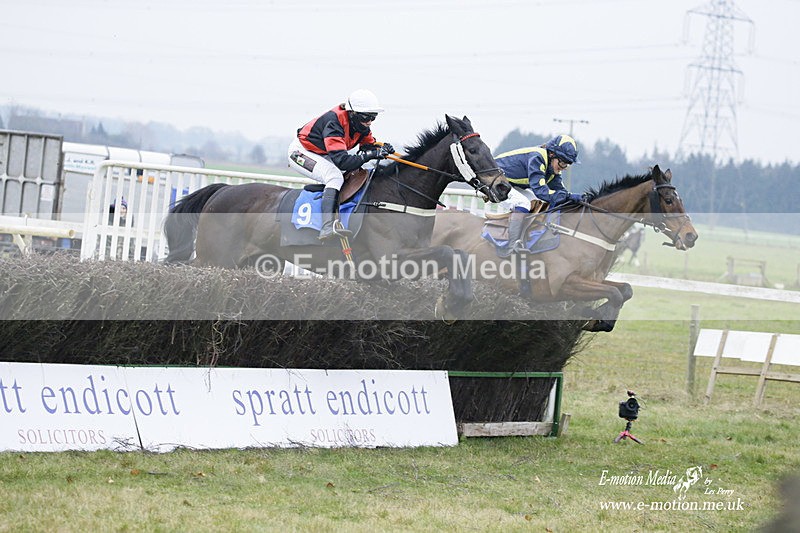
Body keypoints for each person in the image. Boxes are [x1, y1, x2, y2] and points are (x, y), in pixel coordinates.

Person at [287, 89, 395, 240]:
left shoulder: (360, 125)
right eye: (366, 117)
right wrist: (371, 154)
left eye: (373, 117)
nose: (370, 122)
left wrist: (380, 149)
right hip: (301, 152)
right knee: (334, 177)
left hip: (325, 153)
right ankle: (327, 227)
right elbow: (343, 161)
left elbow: (367, 147)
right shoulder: (334, 123)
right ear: (352, 113)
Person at [494, 134, 583, 251]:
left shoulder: (553, 168)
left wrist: (577, 199)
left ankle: (524, 239)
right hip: (494, 179)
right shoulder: (538, 157)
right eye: (563, 163)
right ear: (552, 154)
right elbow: (541, 191)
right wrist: (568, 196)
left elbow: (561, 193)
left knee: (535, 203)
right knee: (524, 204)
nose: (564, 167)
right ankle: (512, 245)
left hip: (509, 183)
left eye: (567, 164)